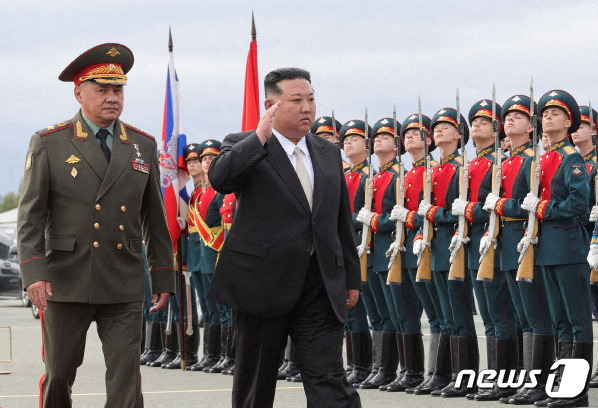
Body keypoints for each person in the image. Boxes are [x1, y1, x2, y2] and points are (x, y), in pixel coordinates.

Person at [17, 43, 175, 407]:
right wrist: (33, 273)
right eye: (101, 89)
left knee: (125, 375)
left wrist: (163, 275)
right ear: (79, 92)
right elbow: (31, 216)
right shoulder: (50, 143)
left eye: (117, 90)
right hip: (65, 280)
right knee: (60, 372)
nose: (111, 98)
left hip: (123, 279)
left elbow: (154, 217)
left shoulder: (141, 145)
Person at [207, 67, 362, 408]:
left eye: (311, 99)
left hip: (319, 283)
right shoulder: (244, 144)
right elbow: (221, 179)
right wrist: (259, 137)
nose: (307, 108)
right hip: (263, 284)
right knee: (256, 380)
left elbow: (339, 220)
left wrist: (351, 276)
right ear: (271, 105)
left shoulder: (325, 151)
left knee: (328, 377)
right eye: (296, 100)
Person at [525, 90, 592, 408]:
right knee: (560, 320)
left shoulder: (571, 158)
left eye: (555, 113)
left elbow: (579, 203)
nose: (548, 117)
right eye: (545, 114)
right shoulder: (546, 158)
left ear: (569, 122)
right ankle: (564, 384)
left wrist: (542, 208)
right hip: (546, 249)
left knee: (577, 319)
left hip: (566, 247)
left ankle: (577, 392)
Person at [414, 107, 478, 397]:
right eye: (436, 127)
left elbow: (459, 212)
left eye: (446, 127)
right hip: (434, 249)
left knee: (459, 314)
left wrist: (435, 214)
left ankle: (465, 376)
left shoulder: (460, 169)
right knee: (444, 315)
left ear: (459, 134)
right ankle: (445, 374)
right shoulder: (435, 170)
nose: (438, 131)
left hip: (454, 247)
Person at [388, 113, 443, 394]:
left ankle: (436, 371)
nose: (409, 136)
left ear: (429, 140)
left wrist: (408, 218)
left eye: (416, 133)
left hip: (427, 248)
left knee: (436, 314)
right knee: (404, 315)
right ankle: (411, 371)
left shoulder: (433, 169)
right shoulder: (407, 173)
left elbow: (430, 211)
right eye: (406, 133)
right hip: (405, 251)